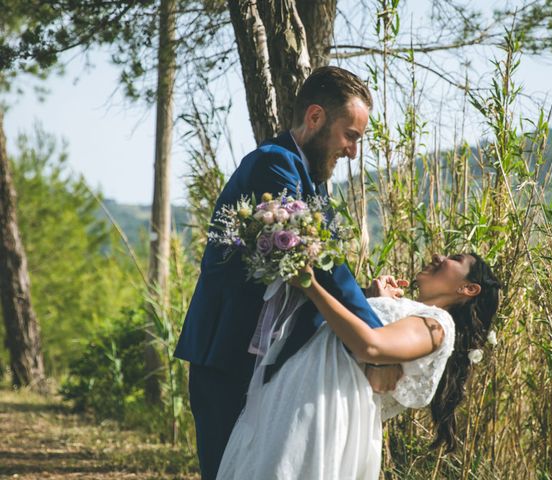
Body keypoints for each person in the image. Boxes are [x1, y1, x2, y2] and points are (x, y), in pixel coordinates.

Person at [174, 66, 402, 479]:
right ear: (315, 117)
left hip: (267, 359)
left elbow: (320, 271)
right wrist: (377, 343)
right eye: (350, 135)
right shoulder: (274, 165)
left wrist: (367, 295)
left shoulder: (311, 182)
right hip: (228, 353)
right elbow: (322, 261)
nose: (353, 151)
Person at [217, 253, 501, 479]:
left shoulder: (439, 325)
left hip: (324, 403)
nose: (439, 257)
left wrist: (310, 285)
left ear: (468, 288)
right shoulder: (416, 314)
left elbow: (372, 347)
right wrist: (374, 300)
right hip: (299, 390)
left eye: (455, 258)